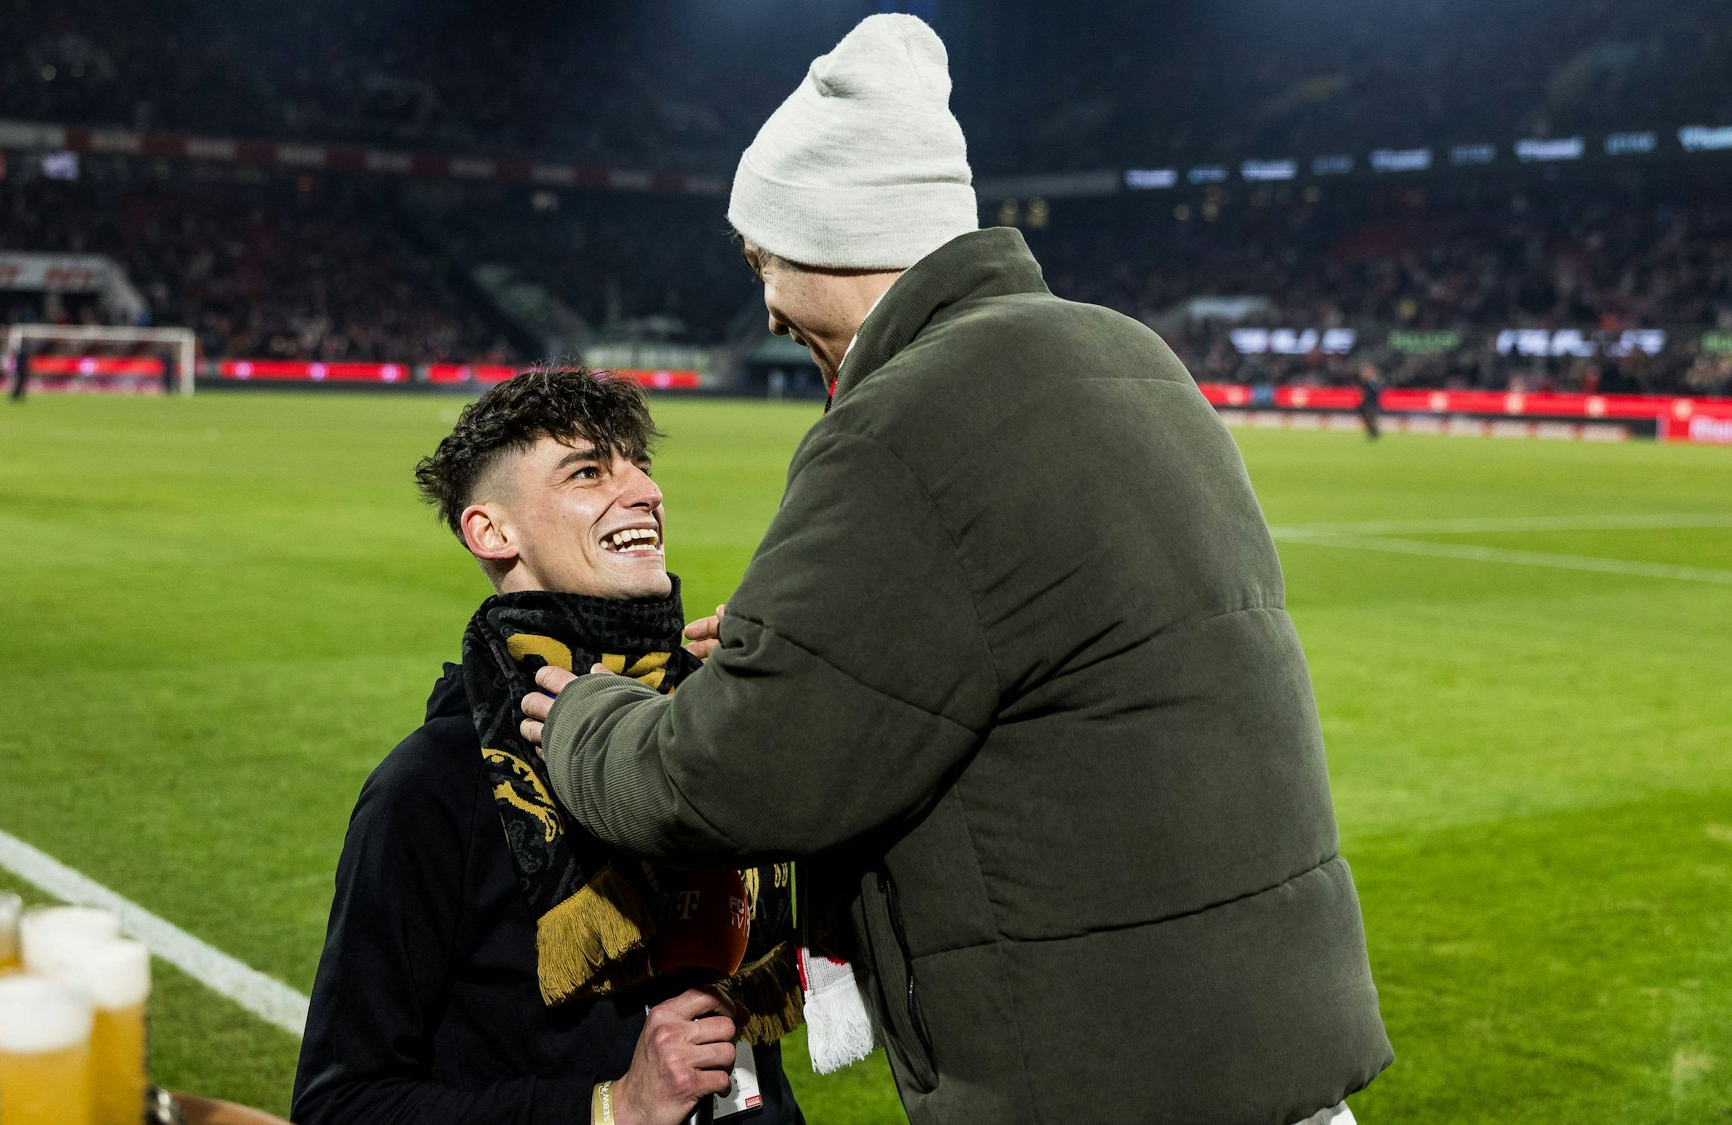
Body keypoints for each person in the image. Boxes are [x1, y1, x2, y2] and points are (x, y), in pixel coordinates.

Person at [519, 15, 1391, 1125]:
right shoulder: (1131, 354)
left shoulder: (906, 419)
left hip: (1106, 1075)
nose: (765, 304)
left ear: (828, 230)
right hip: (1251, 1044)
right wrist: (808, 649)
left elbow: (731, 778)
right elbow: (1013, 642)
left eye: (760, 258)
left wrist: (583, 719)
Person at [292, 368, 805, 1125]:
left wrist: (795, 701)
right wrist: (609, 1108)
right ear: (492, 532)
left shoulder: (708, 722)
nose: (645, 492)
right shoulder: (434, 787)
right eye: (588, 472)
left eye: (641, 465)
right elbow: (342, 1105)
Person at [1356, 361, 1385, 441]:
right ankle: (1372, 433)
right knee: (1368, 419)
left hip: (1373, 403)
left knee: (1372, 418)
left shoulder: (1376, 381)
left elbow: (1377, 391)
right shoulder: (1366, 382)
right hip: (1367, 403)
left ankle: (1374, 433)